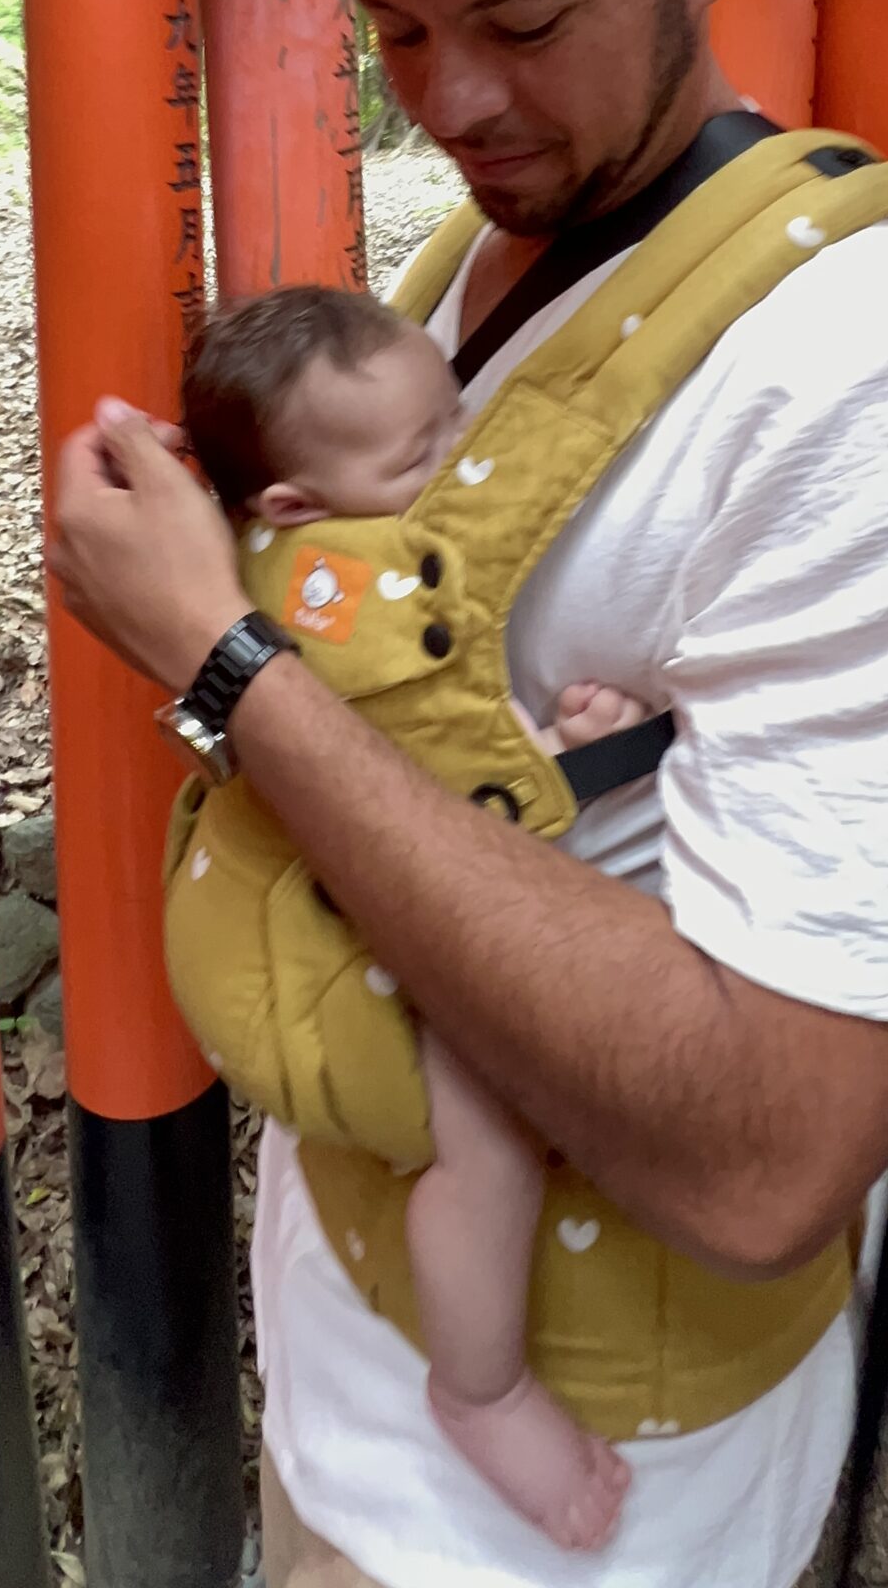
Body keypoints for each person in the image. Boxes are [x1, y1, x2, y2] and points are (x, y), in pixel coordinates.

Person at [52, 0, 888, 1588]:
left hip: (576, 1514)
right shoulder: (485, 251)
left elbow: (770, 1150)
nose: (453, 99)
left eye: (524, 24)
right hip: (349, 1342)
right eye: (396, 29)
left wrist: (219, 655)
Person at [181, 284, 648, 1551]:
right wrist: (567, 758)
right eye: (418, 454)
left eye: (456, 416)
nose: (457, 457)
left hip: (340, 881)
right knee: (487, 1147)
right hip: (368, 924)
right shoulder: (336, 594)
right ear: (294, 504)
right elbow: (430, 774)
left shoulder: (283, 551)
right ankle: (481, 1386)